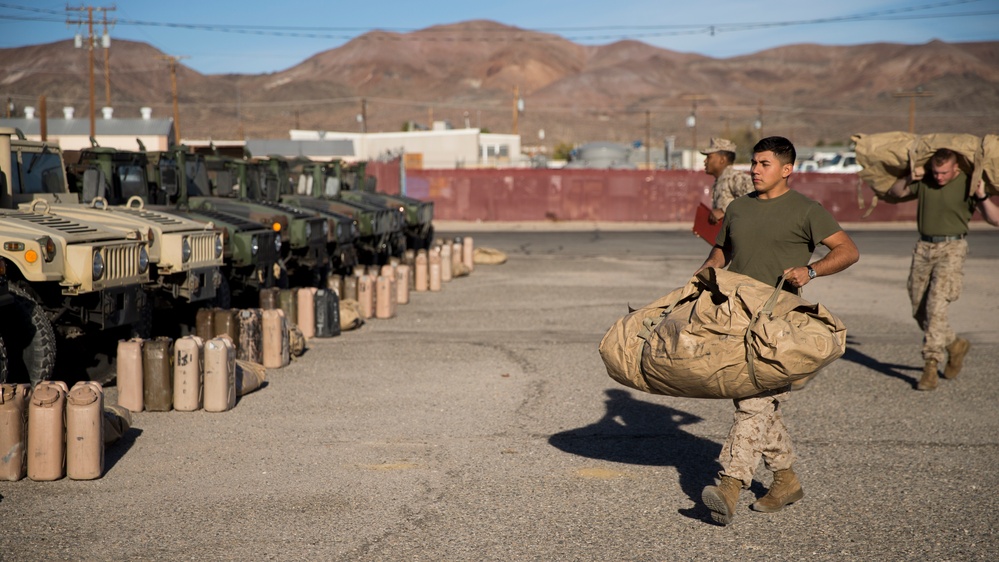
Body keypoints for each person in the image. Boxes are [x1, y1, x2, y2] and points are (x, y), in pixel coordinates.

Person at [695, 136, 860, 526]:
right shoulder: (738, 207)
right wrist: (700, 280)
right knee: (756, 401)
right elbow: (721, 253)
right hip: (735, 315)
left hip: (780, 322)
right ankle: (785, 481)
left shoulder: (806, 210)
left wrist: (812, 270)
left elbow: (847, 250)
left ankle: (730, 485)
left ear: (787, 169)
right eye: (753, 163)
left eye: (764, 164)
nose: (754, 169)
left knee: (752, 403)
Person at [887, 149, 999, 391]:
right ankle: (955, 344)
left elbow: (995, 218)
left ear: (956, 168)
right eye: (936, 172)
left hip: (952, 247)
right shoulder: (925, 179)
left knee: (936, 306)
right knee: (919, 310)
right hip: (924, 248)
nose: (938, 177)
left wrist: (981, 197)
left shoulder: (969, 183)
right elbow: (895, 193)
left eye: (944, 172)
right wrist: (909, 177)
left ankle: (930, 364)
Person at [701, 138, 755, 225]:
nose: (705, 161)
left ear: (722, 159)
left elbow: (756, 200)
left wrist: (725, 211)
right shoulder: (721, 180)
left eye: (709, 157)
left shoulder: (735, 177)